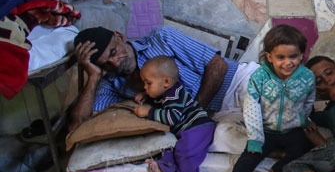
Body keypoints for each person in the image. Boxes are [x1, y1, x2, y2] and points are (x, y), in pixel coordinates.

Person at [70, 25, 252, 133]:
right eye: (106, 64)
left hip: (237, 82)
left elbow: (218, 66)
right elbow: (78, 125)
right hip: (217, 115)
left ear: (119, 37)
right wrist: (93, 77)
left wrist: (194, 113)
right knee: (234, 142)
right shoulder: (112, 83)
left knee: (265, 112)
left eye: (113, 52)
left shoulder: (161, 38)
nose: (116, 63)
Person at [216, 25, 316, 172]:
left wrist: (304, 119)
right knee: (250, 155)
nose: (288, 63)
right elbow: (251, 106)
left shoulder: (307, 77)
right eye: (281, 57)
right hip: (265, 129)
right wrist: (255, 137)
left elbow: (309, 100)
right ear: (270, 57)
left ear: (301, 55)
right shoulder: (260, 76)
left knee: (302, 151)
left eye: (293, 56)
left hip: (291, 129)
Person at [133, 55, 216, 172]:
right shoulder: (165, 93)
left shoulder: (174, 94)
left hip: (198, 127)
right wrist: (147, 95)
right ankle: (163, 171)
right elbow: (160, 101)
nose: (145, 87)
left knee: (185, 154)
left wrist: (149, 112)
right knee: (168, 149)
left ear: (167, 82)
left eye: (148, 83)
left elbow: (172, 117)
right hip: (186, 130)